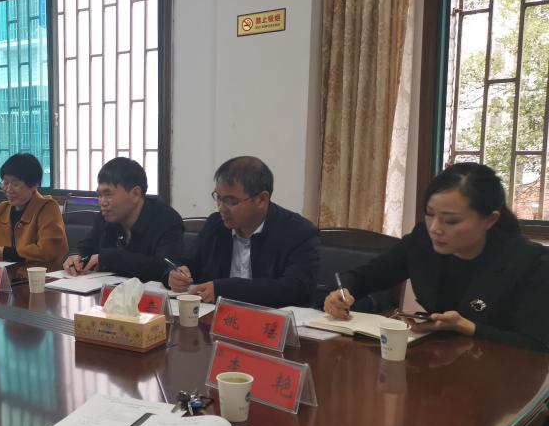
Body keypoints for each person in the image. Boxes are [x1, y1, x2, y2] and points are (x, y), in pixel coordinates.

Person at [323, 162, 549, 352]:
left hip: (501, 375)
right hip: (436, 364)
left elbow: (537, 345)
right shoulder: (422, 241)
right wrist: (342, 293)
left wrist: (467, 327)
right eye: (430, 214)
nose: (435, 228)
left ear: (490, 220)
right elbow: (367, 276)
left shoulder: (529, 262)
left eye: (451, 221)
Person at [168, 156, 319, 306]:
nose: (221, 208)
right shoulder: (216, 224)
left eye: (231, 201)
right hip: (215, 315)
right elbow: (187, 263)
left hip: (271, 317)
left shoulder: (298, 232)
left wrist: (225, 289)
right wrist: (176, 275)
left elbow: (295, 289)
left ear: (262, 200)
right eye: (218, 198)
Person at [63, 157, 184, 282]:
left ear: (135, 194)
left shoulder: (166, 220)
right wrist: (74, 255)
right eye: (99, 195)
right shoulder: (105, 217)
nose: (102, 202)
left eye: (108, 194)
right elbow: (87, 245)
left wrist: (109, 259)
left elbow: (163, 267)